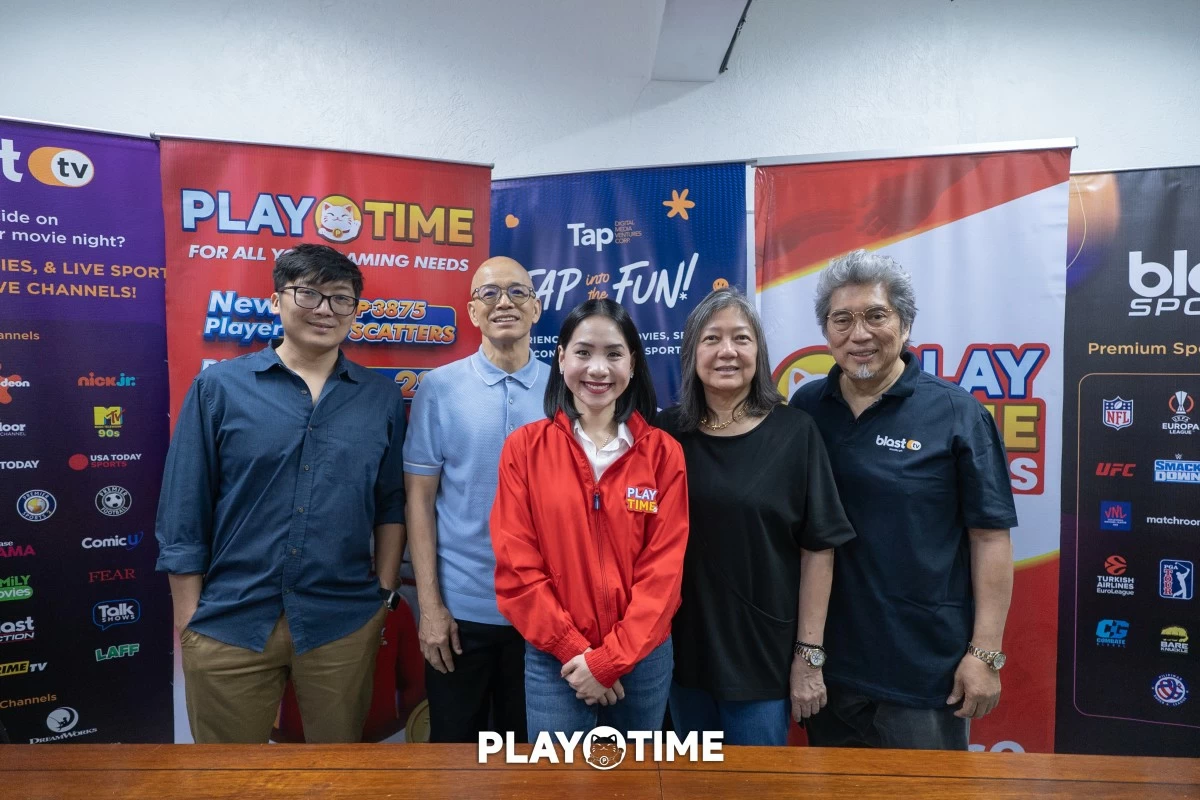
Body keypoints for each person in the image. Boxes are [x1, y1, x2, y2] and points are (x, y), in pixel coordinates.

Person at [156, 243, 407, 744]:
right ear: (276, 300)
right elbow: (184, 509)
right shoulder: (220, 389)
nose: (324, 310)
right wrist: (190, 623)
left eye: (340, 298)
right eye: (308, 293)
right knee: (227, 782)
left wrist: (380, 598)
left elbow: (390, 505)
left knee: (334, 777)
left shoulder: (380, 396)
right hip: (230, 621)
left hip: (341, 622)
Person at [789, 249, 1016, 750]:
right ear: (826, 332)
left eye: (876, 315)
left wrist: (986, 654)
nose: (859, 334)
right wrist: (807, 652)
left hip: (923, 671)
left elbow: (990, 537)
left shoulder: (958, 413)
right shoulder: (806, 408)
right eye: (841, 320)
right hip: (829, 669)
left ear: (906, 324)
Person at [657, 289, 855, 746]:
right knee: (694, 783)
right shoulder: (664, 435)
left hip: (762, 658)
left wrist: (809, 656)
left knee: (757, 786)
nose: (727, 351)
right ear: (691, 353)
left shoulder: (795, 433)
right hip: (679, 655)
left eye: (741, 339)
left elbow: (819, 549)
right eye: (712, 339)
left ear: (758, 353)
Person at [490, 299, 688, 737]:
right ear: (561, 359)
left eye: (613, 354)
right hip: (555, 659)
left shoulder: (662, 454)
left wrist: (610, 660)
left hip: (643, 657)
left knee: (635, 784)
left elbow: (664, 572)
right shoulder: (524, 449)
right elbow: (516, 565)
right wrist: (574, 651)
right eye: (583, 352)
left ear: (632, 364)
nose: (598, 369)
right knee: (561, 783)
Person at [403, 256, 547, 743]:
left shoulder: (566, 389)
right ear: (471, 310)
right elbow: (419, 503)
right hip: (459, 617)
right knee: (454, 758)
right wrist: (430, 609)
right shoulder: (439, 388)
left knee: (532, 761)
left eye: (517, 292)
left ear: (537, 307)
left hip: (544, 617)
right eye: (489, 293)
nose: (504, 302)